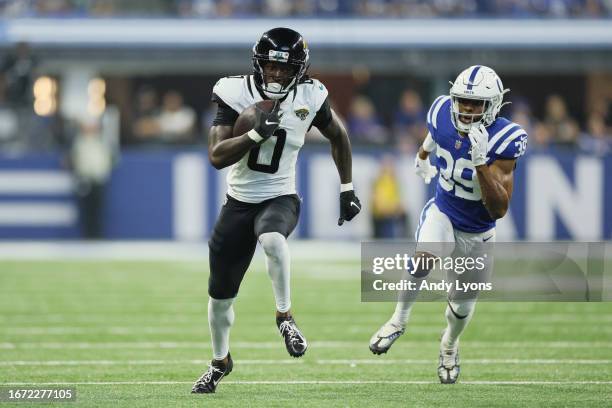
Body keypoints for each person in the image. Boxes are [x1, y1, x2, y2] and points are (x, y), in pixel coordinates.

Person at [192, 27, 362, 394]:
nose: (277, 75)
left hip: (280, 196)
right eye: (270, 67)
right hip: (238, 203)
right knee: (219, 300)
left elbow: (339, 135)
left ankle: (285, 316)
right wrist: (254, 135)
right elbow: (216, 156)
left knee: (271, 238)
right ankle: (220, 361)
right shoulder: (234, 92)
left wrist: (347, 187)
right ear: (258, 64)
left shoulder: (311, 94)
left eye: (285, 70)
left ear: (299, 69)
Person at [369, 65, 528, 384]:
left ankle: (449, 345)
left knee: (460, 309)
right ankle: (398, 320)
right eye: (462, 101)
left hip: (479, 231)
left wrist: (481, 162)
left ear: (493, 105)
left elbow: (498, 209)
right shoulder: (442, 110)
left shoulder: (507, 138)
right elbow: (435, 135)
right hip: (444, 210)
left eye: (476, 103)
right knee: (424, 258)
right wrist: (423, 156)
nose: (466, 109)